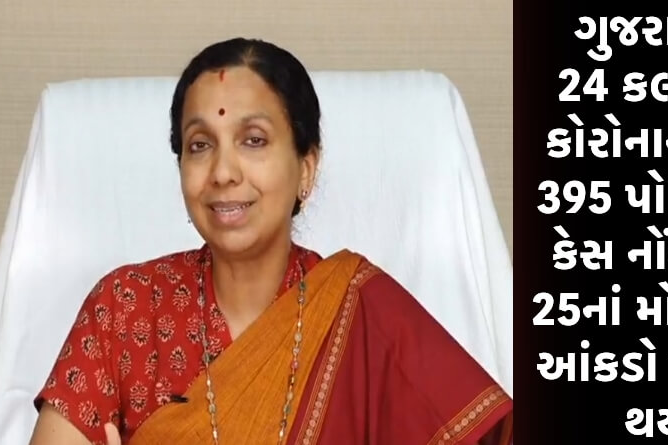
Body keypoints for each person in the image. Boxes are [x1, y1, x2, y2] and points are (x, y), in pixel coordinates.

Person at [28, 37, 512, 445]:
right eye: (200, 145)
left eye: (254, 140)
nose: (223, 172)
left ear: (306, 167)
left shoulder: (360, 315)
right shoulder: (125, 308)